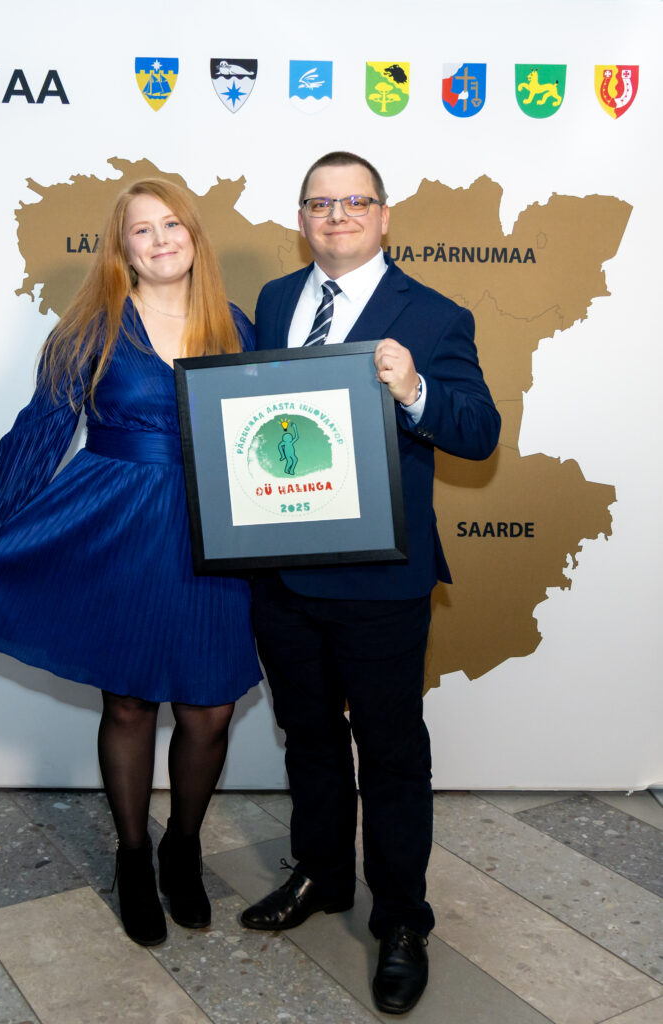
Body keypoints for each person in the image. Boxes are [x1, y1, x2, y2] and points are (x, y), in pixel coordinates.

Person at [0, 179, 262, 948]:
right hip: (121, 524)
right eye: (141, 230)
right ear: (122, 249)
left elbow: (264, 432)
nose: (159, 239)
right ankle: (132, 855)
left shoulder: (238, 325)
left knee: (209, 709)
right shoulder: (92, 326)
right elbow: (40, 431)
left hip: (214, 531)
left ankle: (183, 847)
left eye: (171, 224)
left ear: (193, 236)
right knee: (129, 704)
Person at [241, 152, 500, 1015]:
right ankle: (322, 875)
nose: (337, 215)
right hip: (283, 573)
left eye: (355, 201)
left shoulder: (434, 313)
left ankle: (399, 922)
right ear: (302, 217)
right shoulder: (275, 301)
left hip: (381, 580)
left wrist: (414, 389)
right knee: (308, 737)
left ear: (384, 216)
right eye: (320, 203)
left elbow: (477, 432)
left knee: (389, 752)